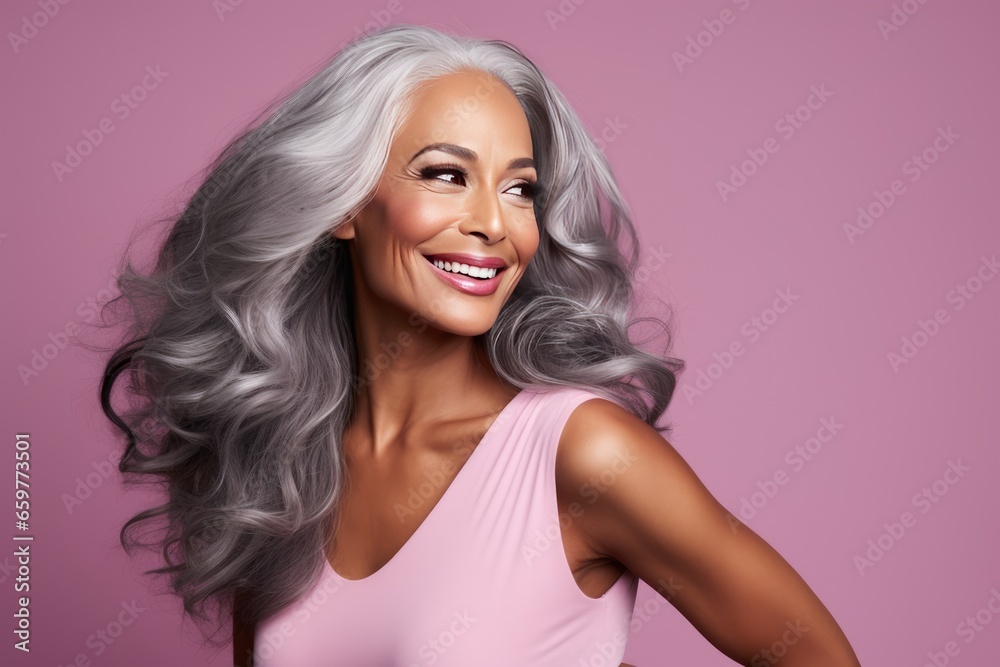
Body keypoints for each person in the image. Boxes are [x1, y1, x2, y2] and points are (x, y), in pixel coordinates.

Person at [99, 24, 861, 666]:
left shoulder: (581, 452)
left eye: (520, 188)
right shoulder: (286, 468)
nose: (494, 223)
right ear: (346, 205)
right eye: (445, 175)